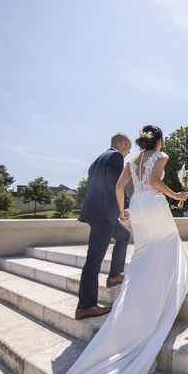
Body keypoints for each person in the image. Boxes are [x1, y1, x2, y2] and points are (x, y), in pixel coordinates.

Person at [56, 125, 188, 374]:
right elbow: (156, 182)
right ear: (157, 140)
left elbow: (120, 188)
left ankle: (136, 300)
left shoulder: (130, 161)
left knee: (144, 253)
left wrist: (122, 212)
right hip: (155, 205)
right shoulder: (161, 154)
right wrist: (177, 194)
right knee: (168, 243)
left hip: (138, 208)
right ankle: (169, 287)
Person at [75, 133, 132, 321]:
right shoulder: (116, 156)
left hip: (98, 212)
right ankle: (86, 306)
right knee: (94, 260)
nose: (129, 152)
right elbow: (116, 185)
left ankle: (114, 275)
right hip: (103, 215)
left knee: (123, 236)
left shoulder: (98, 159)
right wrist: (125, 207)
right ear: (122, 143)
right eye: (129, 148)